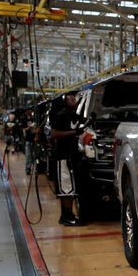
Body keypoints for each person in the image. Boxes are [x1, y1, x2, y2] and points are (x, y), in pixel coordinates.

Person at [50, 92, 85, 226]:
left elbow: (82, 121)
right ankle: (67, 216)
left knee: (70, 187)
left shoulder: (73, 115)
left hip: (71, 156)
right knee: (66, 189)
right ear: (65, 102)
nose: (75, 101)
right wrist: (74, 133)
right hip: (62, 156)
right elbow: (54, 134)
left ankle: (66, 215)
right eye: (72, 99)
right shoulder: (60, 115)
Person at [23, 109, 37, 175]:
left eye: (31, 111)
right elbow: (24, 129)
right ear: (26, 112)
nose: (30, 112)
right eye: (28, 111)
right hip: (28, 140)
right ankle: (28, 169)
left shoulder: (34, 119)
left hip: (34, 140)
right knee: (28, 156)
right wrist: (30, 127)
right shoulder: (24, 120)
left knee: (35, 155)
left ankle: (36, 168)